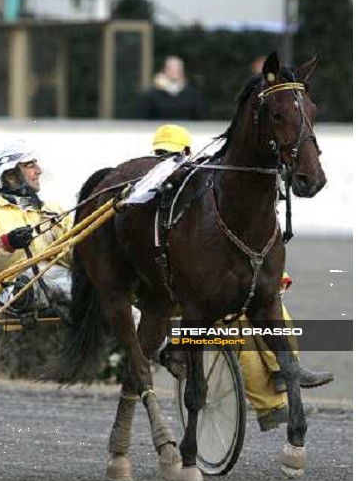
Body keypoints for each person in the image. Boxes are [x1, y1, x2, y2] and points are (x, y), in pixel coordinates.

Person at [150, 124, 334, 431]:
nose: (167, 160)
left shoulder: (202, 185)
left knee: (274, 308)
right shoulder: (164, 190)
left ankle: (283, 370)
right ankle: (271, 405)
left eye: (171, 154)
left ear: (186, 153)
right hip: (191, 298)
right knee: (240, 330)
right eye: (162, 155)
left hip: (218, 282)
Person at [0, 142, 74, 318]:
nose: (39, 170)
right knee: (32, 282)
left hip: (64, 280)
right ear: (10, 176)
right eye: (30, 165)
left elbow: (77, 253)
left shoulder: (55, 211)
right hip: (14, 290)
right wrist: (9, 243)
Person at [138, 56, 204, 121]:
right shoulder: (151, 95)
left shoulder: (192, 95)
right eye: (171, 68)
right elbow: (143, 118)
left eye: (178, 69)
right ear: (165, 70)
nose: (175, 71)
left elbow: (198, 117)